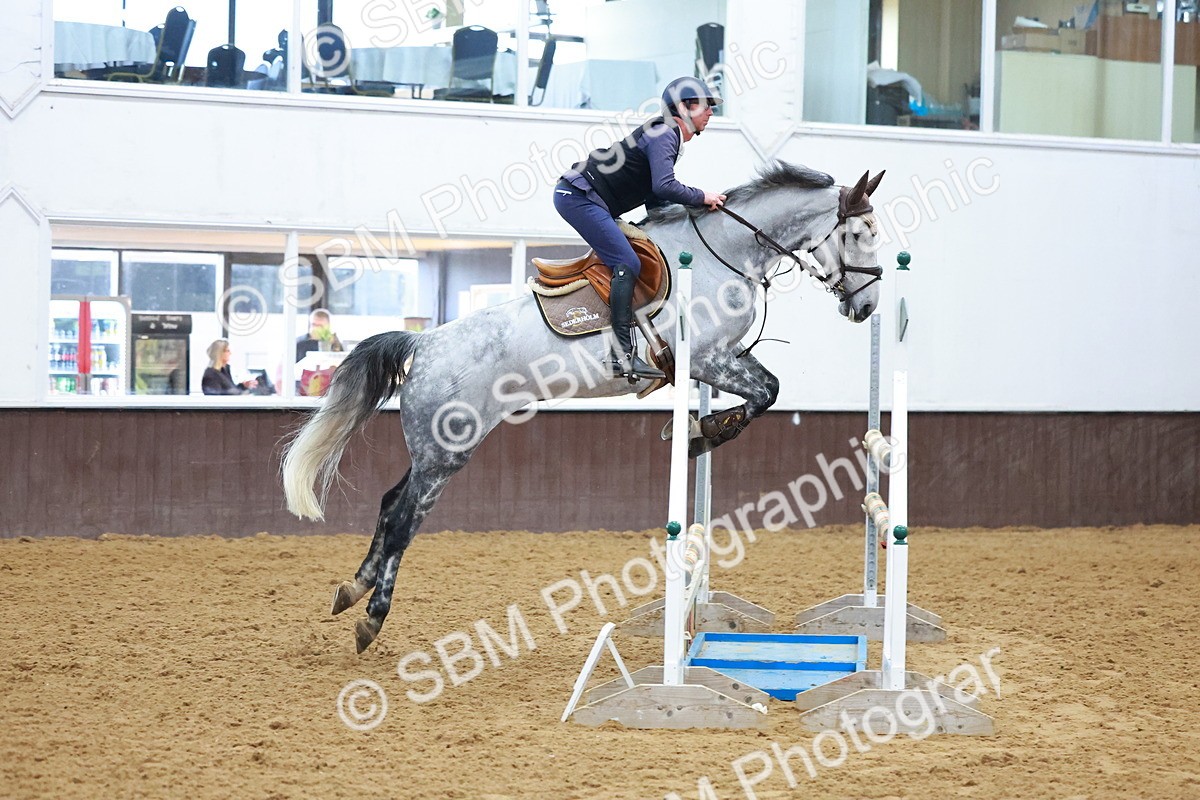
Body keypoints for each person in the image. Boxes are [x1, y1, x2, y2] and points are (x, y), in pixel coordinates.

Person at [553, 76, 727, 380]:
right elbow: (664, 185)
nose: (710, 112)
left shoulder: (664, 134)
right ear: (684, 108)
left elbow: (655, 196)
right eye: (705, 105)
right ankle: (620, 355)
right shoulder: (664, 133)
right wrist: (703, 197)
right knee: (627, 263)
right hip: (578, 198)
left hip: (585, 198)